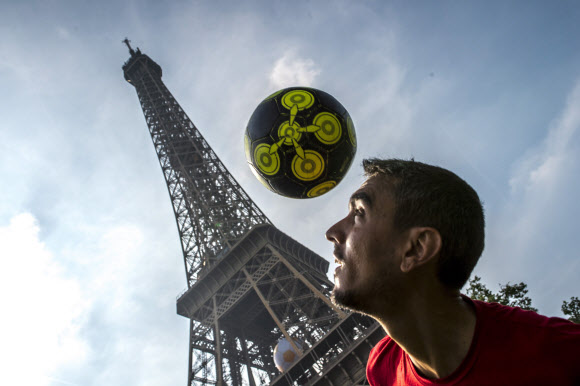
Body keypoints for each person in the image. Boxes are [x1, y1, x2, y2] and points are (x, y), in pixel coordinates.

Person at [325, 158, 580, 385]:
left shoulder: (564, 356)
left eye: (359, 213)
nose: (332, 232)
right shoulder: (381, 369)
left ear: (416, 249)